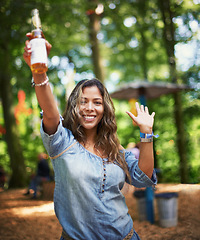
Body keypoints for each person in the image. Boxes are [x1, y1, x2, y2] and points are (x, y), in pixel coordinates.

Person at [23, 33, 157, 240]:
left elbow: (143, 178)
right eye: (83, 101)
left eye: (97, 102)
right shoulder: (62, 143)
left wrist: (146, 133)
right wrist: (38, 73)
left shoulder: (116, 151)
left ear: (105, 108)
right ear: (74, 106)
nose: (89, 108)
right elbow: (49, 112)